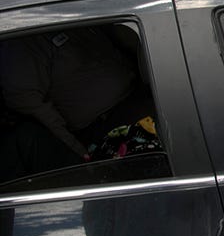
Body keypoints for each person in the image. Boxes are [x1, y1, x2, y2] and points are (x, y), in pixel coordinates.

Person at [0, 26, 150, 162]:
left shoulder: (67, 15)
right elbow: (31, 107)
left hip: (138, 95)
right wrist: (78, 153)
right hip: (105, 127)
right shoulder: (21, 44)